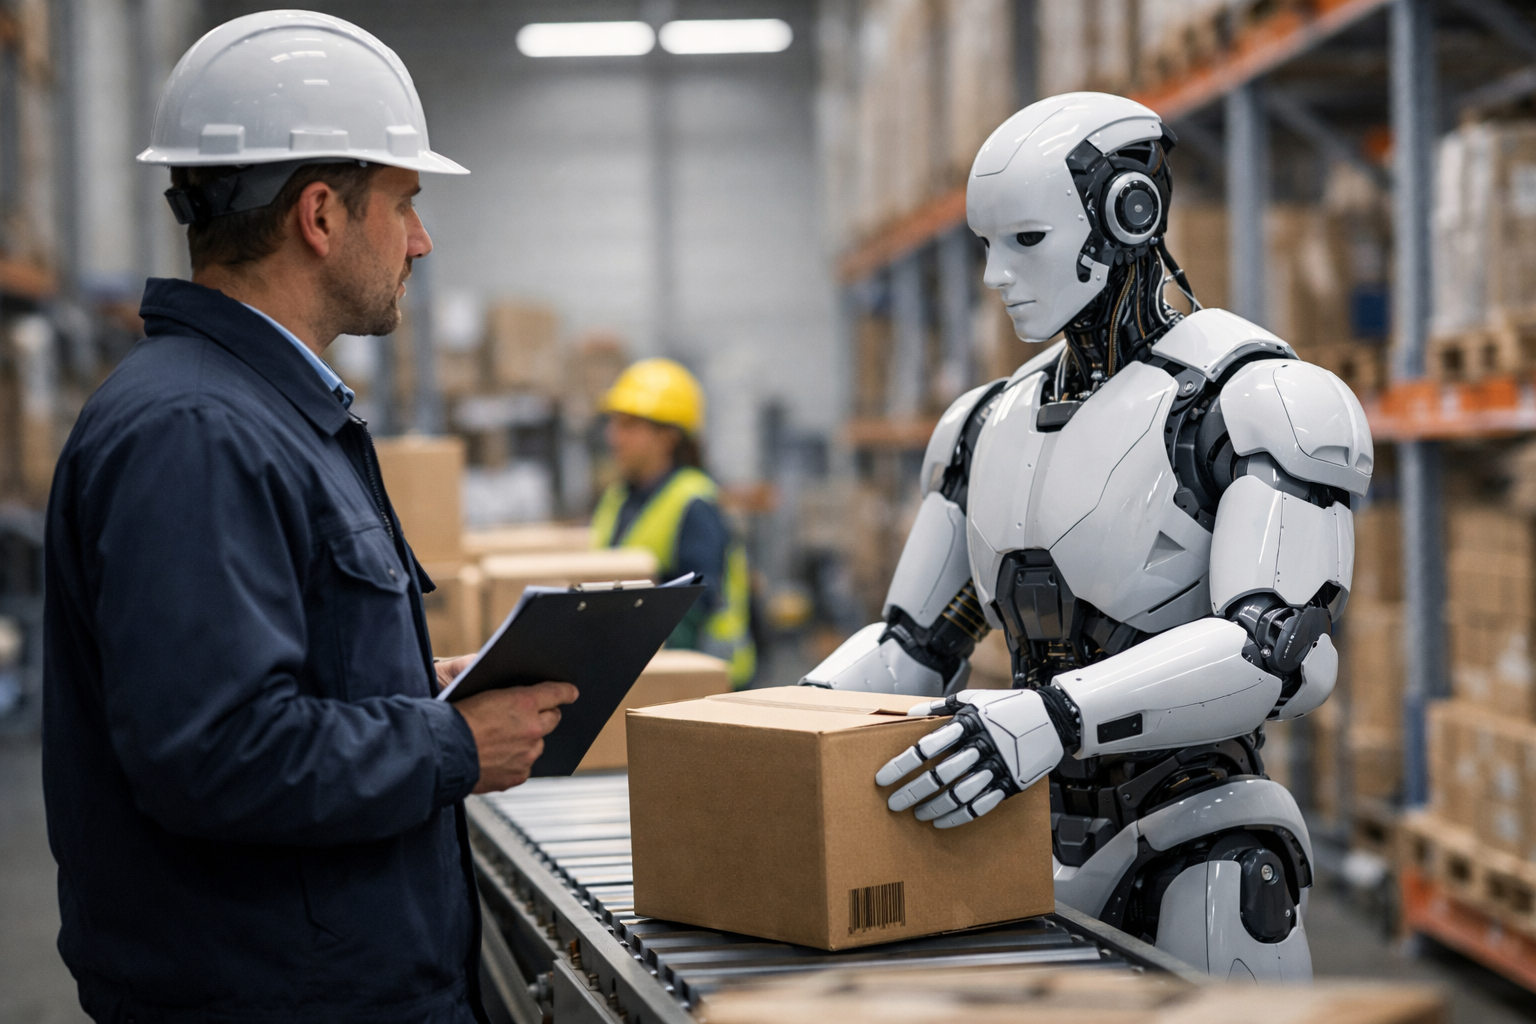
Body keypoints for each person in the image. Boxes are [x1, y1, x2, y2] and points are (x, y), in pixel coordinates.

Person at [42, 12, 574, 1022]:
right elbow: (216, 754)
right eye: (405, 203)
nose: (423, 240)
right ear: (320, 215)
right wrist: (451, 746)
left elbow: (262, 678)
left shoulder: (259, 414)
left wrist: (412, 689)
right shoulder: (198, 431)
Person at [802, 93, 1372, 980]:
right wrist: (780, 726)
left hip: (1199, 831)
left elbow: (1278, 654)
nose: (996, 276)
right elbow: (914, 645)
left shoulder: (1255, 401)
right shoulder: (984, 424)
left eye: (1025, 240)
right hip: (1020, 833)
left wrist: (1056, 718)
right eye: (985, 245)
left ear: (1129, 214)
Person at [591, 358, 755, 687]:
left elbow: (694, 607)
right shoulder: (618, 499)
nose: (614, 437)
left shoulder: (694, 503)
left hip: (704, 689)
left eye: (629, 426)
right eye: (615, 424)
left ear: (668, 436)